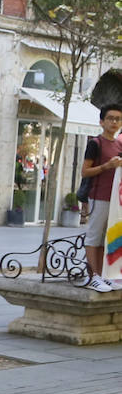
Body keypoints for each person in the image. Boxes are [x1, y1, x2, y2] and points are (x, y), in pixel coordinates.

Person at [80, 103, 122, 292]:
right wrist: (106, 167)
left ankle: (105, 274)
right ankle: (93, 275)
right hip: (99, 196)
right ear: (102, 121)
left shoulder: (119, 144)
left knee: (109, 237)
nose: (114, 122)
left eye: (118, 119)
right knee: (94, 236)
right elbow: (85, 172)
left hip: (116, 200)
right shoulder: (95, 144)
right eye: (111, 118)